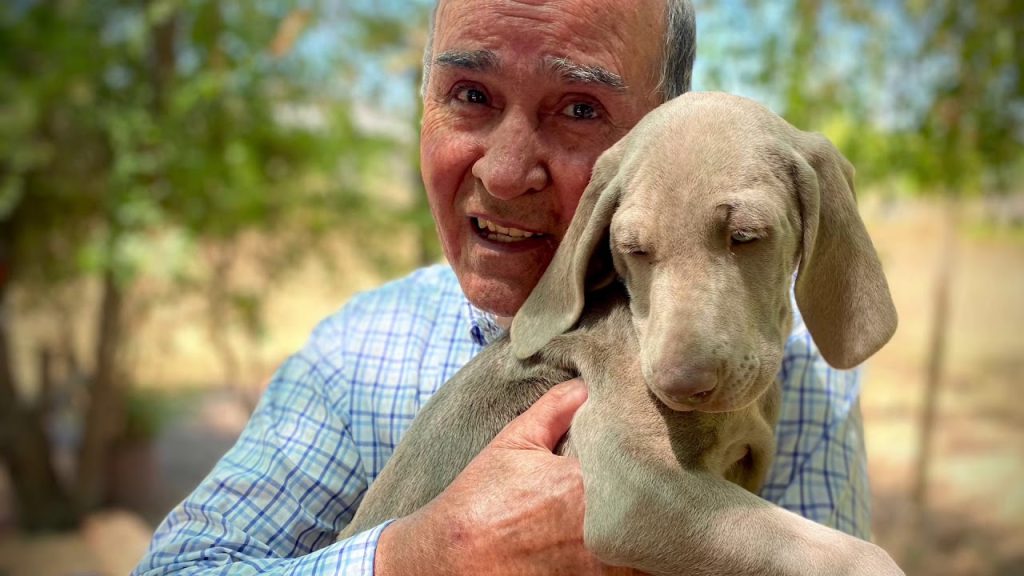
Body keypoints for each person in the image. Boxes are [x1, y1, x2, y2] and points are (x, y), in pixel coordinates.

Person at [134, 0, 883, 574]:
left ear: (664, 130)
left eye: (581, 108)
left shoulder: (801, 376)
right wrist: (413, 557)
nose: (502, 172)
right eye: (469, 95)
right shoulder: (355, 357)